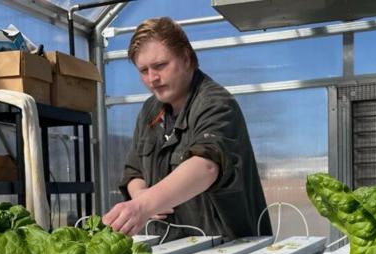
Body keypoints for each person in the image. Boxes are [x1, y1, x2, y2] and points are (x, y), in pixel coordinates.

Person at [102, 17, 272, 241]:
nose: (152, 78)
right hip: (170, 246)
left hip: (226, 249)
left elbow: (206, 167)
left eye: (160, 65)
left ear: (186, 58)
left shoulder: (215, 103)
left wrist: (143, 206)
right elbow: (134, 171)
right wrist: (141, 194)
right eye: (143, 70)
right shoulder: (150, 111)